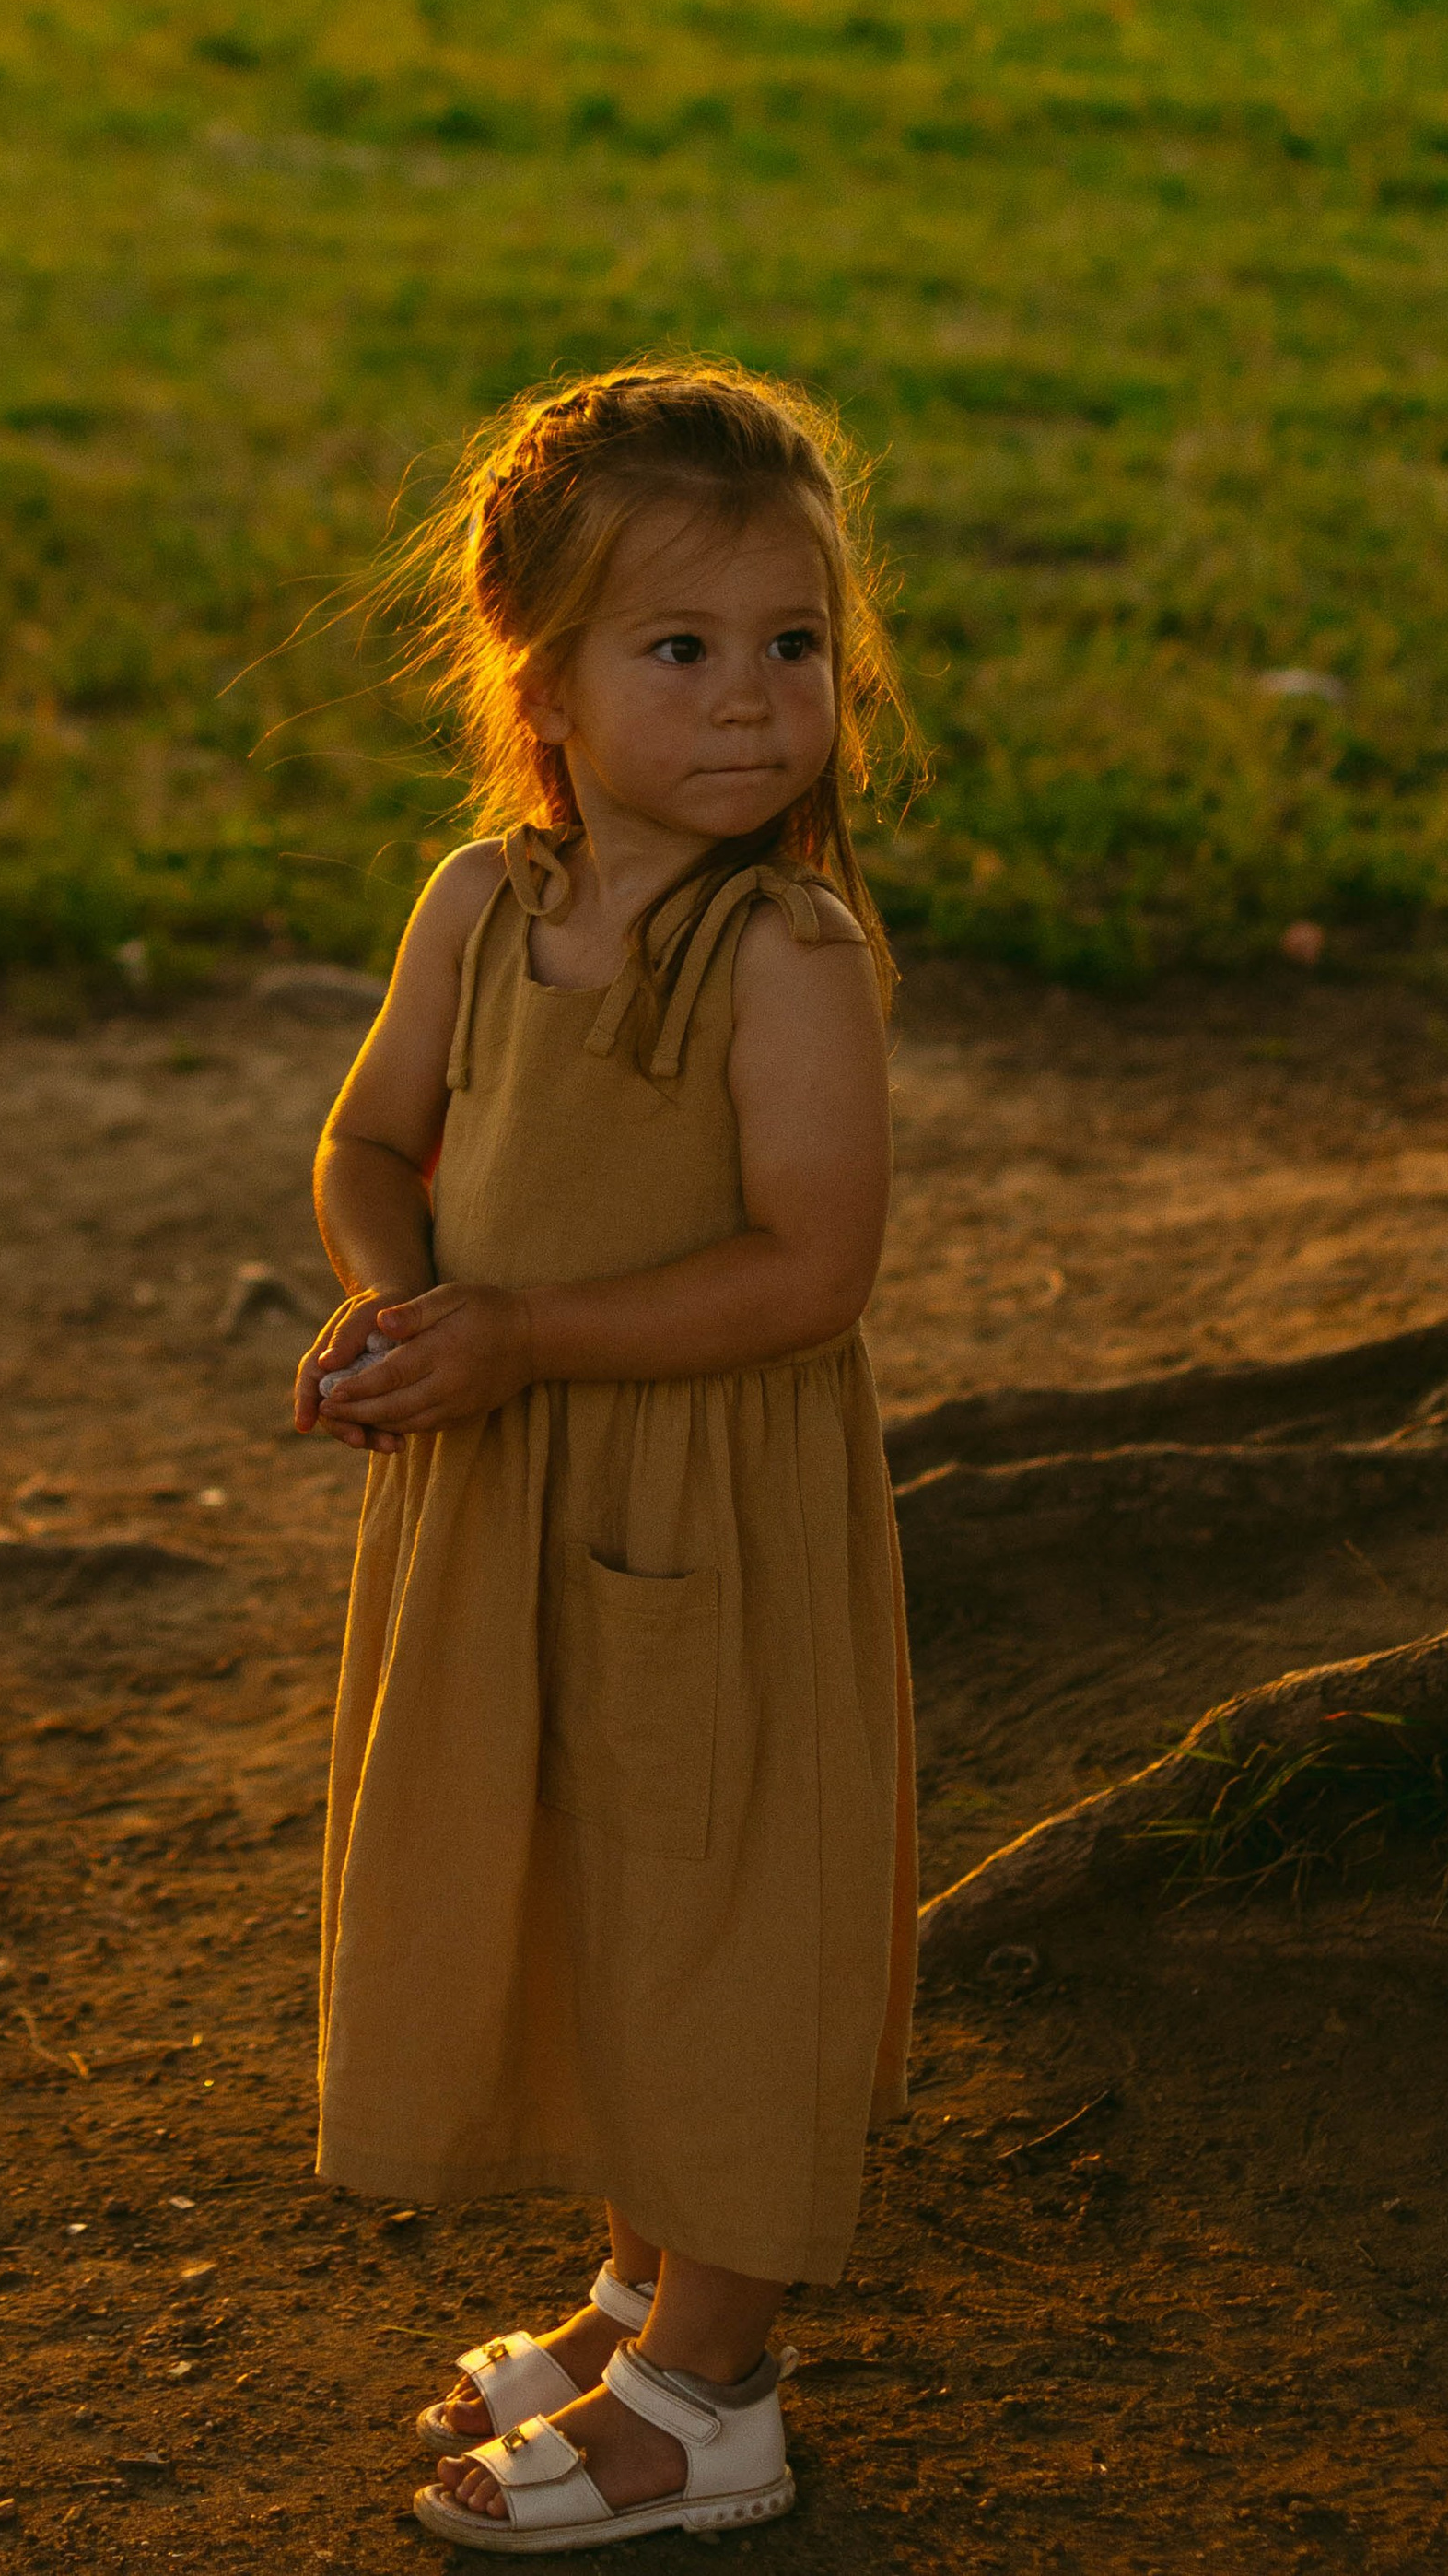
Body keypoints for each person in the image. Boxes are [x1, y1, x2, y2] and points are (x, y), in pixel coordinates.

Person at [293, 359, 920, 2553]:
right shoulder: (481, 903)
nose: (756, 703)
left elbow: (809, 1270)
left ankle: (709, 2392)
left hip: (707, 1523)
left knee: (721, 1911)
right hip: (516, 1497)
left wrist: (522, 1332)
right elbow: (370, 1144)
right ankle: (647, 2278)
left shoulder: (782, 949)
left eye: (793, 650)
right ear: (536, 681)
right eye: (682, 648)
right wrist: (395, 1300)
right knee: (590, 1884)